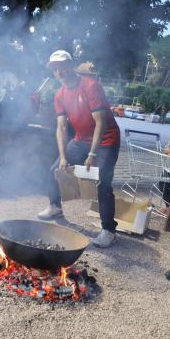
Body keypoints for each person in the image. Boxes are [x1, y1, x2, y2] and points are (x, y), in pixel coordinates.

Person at [37, 50, 121, 248]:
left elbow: (100, 122)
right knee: (55, 170)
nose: (59, 71)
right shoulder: (60, 95)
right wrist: (64, 156)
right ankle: (55, 207)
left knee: (103, 183)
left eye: (62, 66)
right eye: (55, 68)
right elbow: (61, 127)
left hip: (106, 140)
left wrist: (92, 154)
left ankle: (109, 230)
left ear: (71, 65)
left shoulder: (91, 86)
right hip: (81, 138)